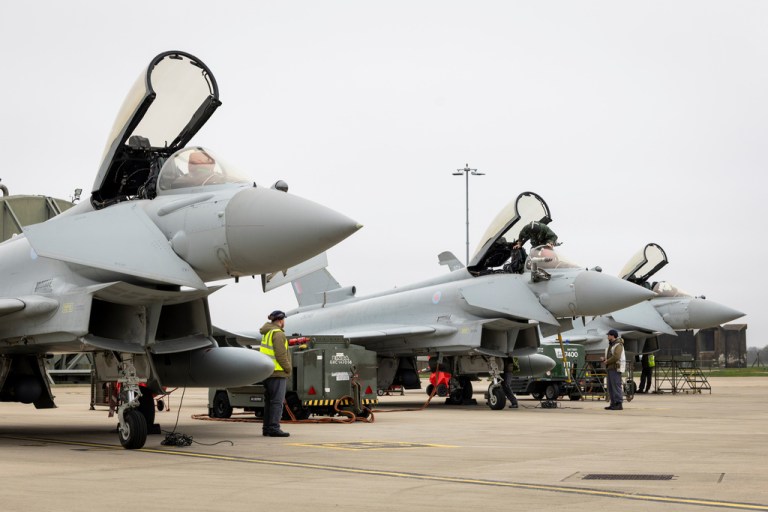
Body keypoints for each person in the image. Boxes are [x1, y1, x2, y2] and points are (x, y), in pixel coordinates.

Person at [259, 310, 292, 437]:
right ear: (280, 320)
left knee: (269, 402)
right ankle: (274, 428)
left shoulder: (266, 332)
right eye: (284, 320)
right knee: (277, 402)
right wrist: (288, 369)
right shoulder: (278, 334)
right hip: (277, 373)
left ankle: (267, 428)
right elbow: (280, 355)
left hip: (267, 373)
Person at [602, 329, 625, 410]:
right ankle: (613, 403)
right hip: (610, 368)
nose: (607, 336)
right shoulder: (612, 345)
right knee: (611, 387)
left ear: (612, 336)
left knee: (616, 386)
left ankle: (618, 403)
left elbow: (616, 356)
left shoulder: (618, 345)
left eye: (608, 335)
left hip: (615, 368)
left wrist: (607, 361)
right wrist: (605, 359)